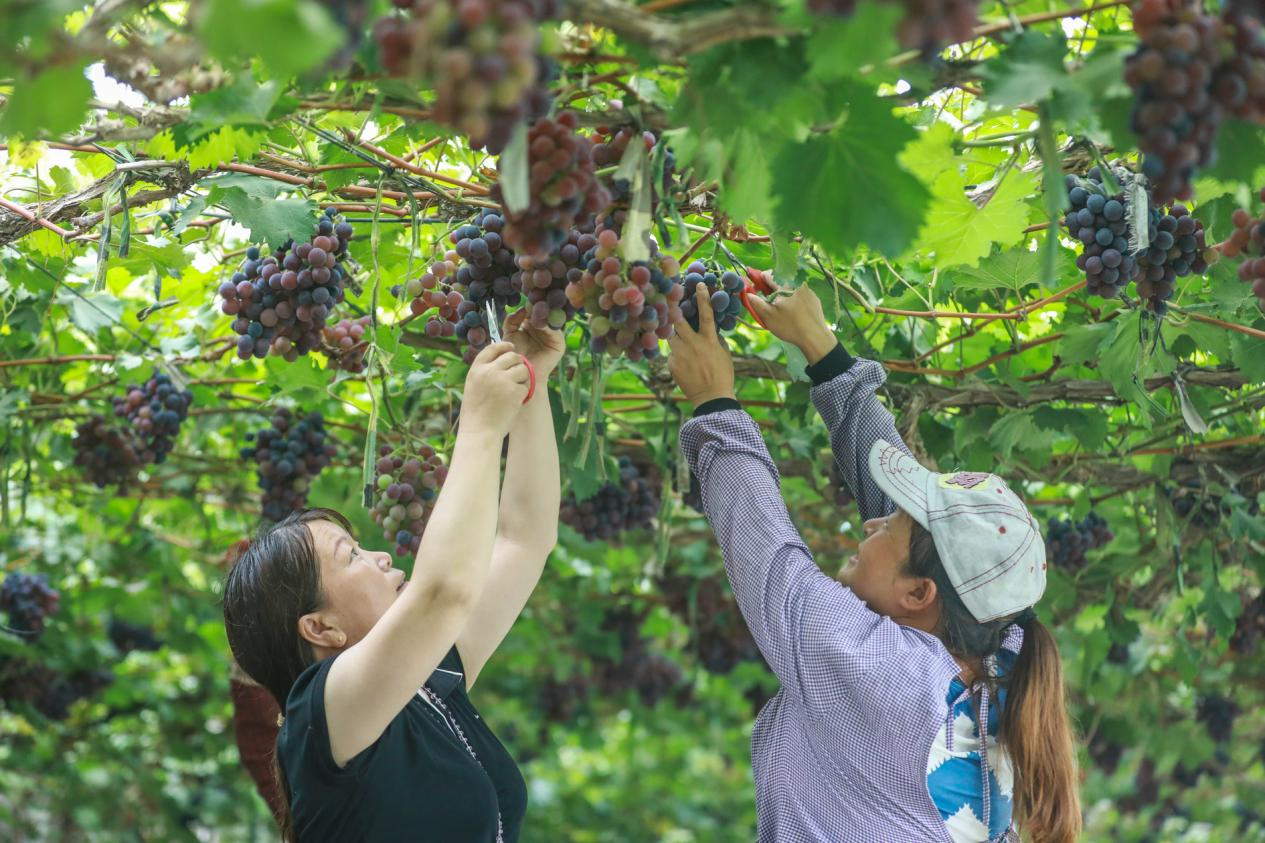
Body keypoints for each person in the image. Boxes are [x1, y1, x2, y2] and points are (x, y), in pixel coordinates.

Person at [666, 282, 1080, 843]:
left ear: (918, 595)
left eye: (889, 527)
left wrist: (714, 401)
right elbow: (911, 533)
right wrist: (822, 350)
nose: (870, 521)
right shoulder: (994, 664)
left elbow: (768, 555)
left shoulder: (882, 676)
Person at [222, 313, 563, 843]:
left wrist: (532, 384)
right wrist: (477, 427)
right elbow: (443, 591)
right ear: (320, 628)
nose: (380, 555)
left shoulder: (428, 684)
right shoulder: (322, 709)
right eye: (351, 555)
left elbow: (525, 539)